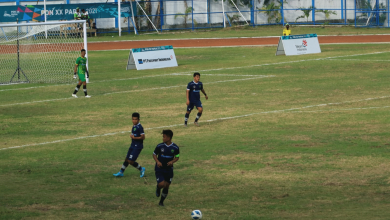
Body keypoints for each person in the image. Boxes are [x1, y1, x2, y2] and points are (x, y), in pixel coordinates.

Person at [113, 112, 146, 178]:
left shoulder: (140, 127)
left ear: (138, 120)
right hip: (133, 145)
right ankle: (121, 172)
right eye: (133, 119)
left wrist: (134, 138)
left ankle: (141, 169)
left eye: (135, 119)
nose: (134, 121)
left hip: (138, 146)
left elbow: (143, 137)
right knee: (127, 159)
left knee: (130, 161)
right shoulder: (134, 126)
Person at [153, 130, 180, 206]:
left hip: (169, 170)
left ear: (169, 138)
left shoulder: (175, 147)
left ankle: (161, 202)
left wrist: (172, 161)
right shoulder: (159, 146)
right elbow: (154, 154)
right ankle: (158, 188)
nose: (163, 138)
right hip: (160, 168)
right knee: (162, 184)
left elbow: (177, 157)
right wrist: (157, 161)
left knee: (166, 186)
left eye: (164, 137)